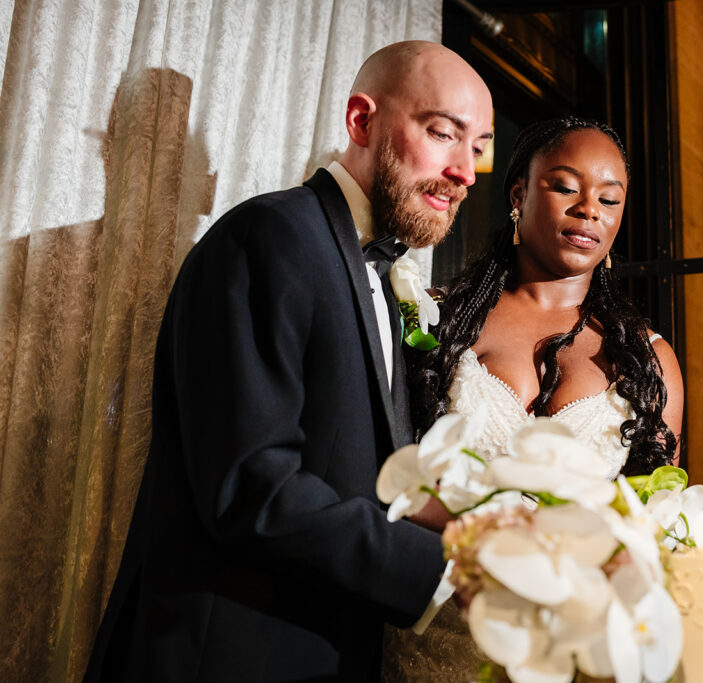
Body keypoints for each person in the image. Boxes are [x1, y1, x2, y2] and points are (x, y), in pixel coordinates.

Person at [84, 41, 493, 683]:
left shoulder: (385, 279)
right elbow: (252, 487)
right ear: (361, 122)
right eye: (445, 133)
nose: (467, 170)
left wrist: (452, 516)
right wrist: (446, 564)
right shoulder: (268, 237)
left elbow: (347, 468)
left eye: (479, 147)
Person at [382, 116, 685, 680]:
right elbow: (386, 469)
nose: (589, 209)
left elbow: (651, 529)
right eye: (566, 187)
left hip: (567, 653)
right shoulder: (437, 322)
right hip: (435, 636)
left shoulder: (649, 362)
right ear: (519, 193)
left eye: (609, 198)